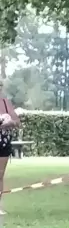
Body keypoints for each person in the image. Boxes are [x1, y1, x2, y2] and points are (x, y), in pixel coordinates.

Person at [0, 85, 20, 215]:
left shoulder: (5, 102)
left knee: (0, 175)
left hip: (3, 141)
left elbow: (17, 121)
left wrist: (9, 123)